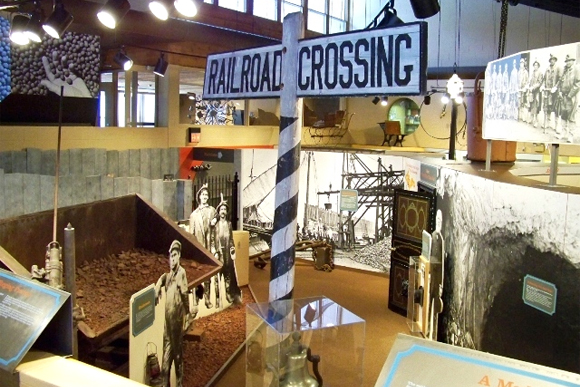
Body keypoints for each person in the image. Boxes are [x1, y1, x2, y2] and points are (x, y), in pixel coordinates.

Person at [154, 240, 195, 387]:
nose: (172, 259)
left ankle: (179, 384)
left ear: (179, 256)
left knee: (178, 357)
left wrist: (188, 314)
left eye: (175, 255)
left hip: (176, 323)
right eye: (170, 256)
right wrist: (158, 284)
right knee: (165, 366)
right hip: (168, 327)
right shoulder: (169, 276)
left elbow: (184, 294)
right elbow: (164, 278)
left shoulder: (181, 273)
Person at [189, 184, 216, 308]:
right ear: (199, 197)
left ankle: (207, 299)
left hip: (209, 248)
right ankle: (195, 300)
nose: (205, 196)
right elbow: (191, 235)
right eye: (203, 194)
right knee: (196, 275)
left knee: (209, 275)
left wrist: (215, 221)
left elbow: (220, 220)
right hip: (198, 249)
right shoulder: (194, 215)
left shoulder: (212, 211)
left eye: (206, 195)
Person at [211, 198, 242, 305]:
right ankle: (218, 297)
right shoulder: (215, 225)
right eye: (221, 209)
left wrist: (232, 247)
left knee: (228, 274)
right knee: (217, 276)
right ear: (219, 212)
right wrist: (214, 250)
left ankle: (228, 294)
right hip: (218, 253)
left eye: (224, 209)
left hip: (227, 253)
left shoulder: (229, 224)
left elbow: (231, 239)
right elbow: (212, 239)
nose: (223, 211)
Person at [558, 54, 580, 142]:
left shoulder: (576, 70)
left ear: (573, 61)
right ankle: (563, 133)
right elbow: (561, 82)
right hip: (563, 96)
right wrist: (560, 91)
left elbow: (578, 84)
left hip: (571, 97)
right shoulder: (565, 71)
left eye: (569, 61)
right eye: (566, 61)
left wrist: (570, 95)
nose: (567, 63)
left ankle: (571, 135)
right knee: (563, 114)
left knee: (571, 116)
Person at [542, 54, 562, 134]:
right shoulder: (547, 69)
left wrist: (556, 87)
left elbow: (560, 79)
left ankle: (557, 126)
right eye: (551, 60)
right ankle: (547, 123)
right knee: (547, 107)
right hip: (548, 91)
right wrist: (543, 85)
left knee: (556, 109)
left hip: (555, 92)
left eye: (553, 59)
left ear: (555, 60)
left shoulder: (558, 68)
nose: (552, 61)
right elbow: (544, 79)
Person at [528, 59, 544, 128]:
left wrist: (533, 87)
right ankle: (531, 119)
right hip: (532, 92)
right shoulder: (532, 73)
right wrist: (529, 87)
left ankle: (536, 121)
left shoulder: (540, 73)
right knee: (531, 105)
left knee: (536, 107)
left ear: (538, 66)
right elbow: (531, 82)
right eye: (534, 65)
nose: (535, 66)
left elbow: (540, 83)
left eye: (536, 65)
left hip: (537, 92)